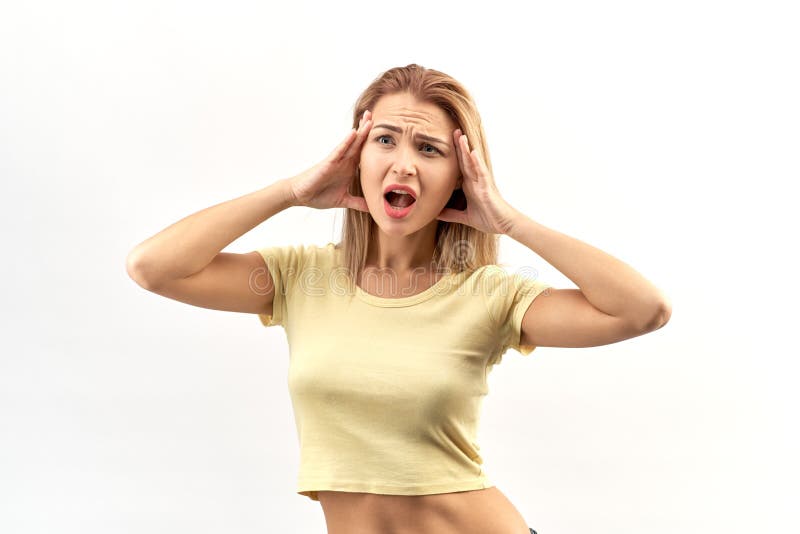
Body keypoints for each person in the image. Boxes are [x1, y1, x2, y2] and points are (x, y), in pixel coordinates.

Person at [126, 64, 671, 534]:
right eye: (385, 140)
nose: (403, 163)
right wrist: (292, 192)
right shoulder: (301, 278)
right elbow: (152, 268)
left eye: (428, 148)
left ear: (459, 177)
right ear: (356, 157)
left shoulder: (489, 295)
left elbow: (643, 310)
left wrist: (510, 222)